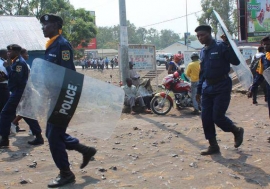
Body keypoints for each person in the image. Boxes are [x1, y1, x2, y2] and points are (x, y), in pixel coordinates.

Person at [40, 14, 97, 188]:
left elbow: (69, 75)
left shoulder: (62, 45)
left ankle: (66, 173)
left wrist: (65, 99)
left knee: (53, 136)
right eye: (42, 25)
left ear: (57, 25)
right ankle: (85, 150)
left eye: (47, 24)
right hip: (55, 97)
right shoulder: (51, 45)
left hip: (63, 97)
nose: (43, 27)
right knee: (54, 133)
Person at [195, 25, 244, 155]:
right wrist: (199, 90)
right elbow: (202, 72)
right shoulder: (202, 51)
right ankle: (213, 145)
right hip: (207, 87)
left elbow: (236, 61)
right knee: (205, 117)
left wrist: (229, 46)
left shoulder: (221, 46)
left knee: (217, 117)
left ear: (210, 34)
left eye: (203, 35)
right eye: (198, 36)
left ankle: (236, 130)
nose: (200, 38)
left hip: (222, 86)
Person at [0, 44, 44, 148]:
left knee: (5, 114)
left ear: (17, 52)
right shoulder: (16, 61)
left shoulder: (19, 63)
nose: (8, 53)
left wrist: (8, 67)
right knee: (26, 113)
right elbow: (13, 77)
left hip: (19, 92)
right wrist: (5, 75)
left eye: (10, 52)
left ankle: (4, 139)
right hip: (20, 91)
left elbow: (17, 79)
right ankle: (38, 136)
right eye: (8, 52)